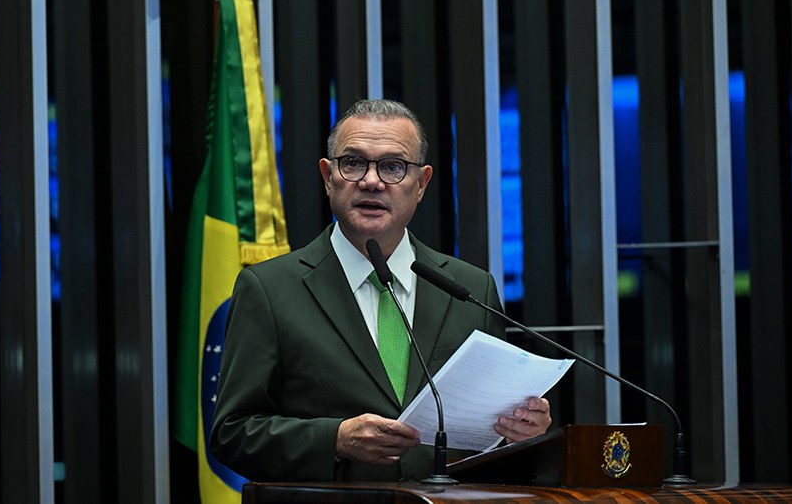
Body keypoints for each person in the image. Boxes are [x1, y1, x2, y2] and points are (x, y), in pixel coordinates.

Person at [210, 99, 551, 482]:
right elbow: (231, 434)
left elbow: (495, 441)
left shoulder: (471, 289)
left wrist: (524, 434)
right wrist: (335, 439)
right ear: (328, 177)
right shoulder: (269, 290)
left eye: (393, 167)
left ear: (421, 184)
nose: (371, 181)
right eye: (353, 163)